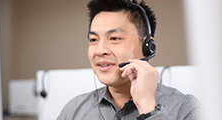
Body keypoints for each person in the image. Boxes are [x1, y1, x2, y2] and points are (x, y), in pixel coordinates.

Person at [57, 0, 199, 120]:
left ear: (147, 47)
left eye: (114, 38)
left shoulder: (185, 108)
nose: (100, 51)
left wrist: (148, 107)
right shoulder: (73, 111)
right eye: (94, 40)